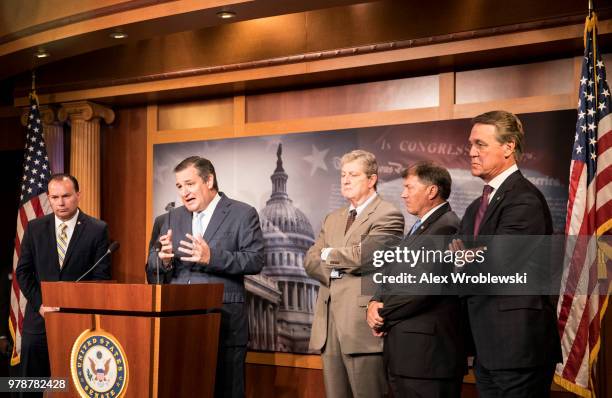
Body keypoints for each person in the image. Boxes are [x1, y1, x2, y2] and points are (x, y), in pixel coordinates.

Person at [450, 110, 561, 397]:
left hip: (518, 348)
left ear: (509, 147)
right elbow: (455, 263)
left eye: (480, 144)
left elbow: (497, 262)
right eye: (470, 145)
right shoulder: (476, 206)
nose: (471, 152)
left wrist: (469, 257)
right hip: (486, 347)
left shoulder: (524, 198)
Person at [147, 156, 264, 398]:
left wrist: (212, 257)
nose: (184, 192)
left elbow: (255, 260)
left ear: (209, 180)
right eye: (179, 186)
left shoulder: (243, 213)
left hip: (225, 323)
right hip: (177, 323)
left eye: (189, 184)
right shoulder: (167, 219)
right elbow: (152, 270)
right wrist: (163, 261)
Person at [305, 149, 404, 398]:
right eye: (342, 175)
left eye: (353, 175)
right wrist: (339, 269)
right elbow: (309, 261)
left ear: (372, 180)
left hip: (360, 329)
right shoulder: (332, 218)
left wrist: (329, 255)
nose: (345, 181)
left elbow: (366, 257)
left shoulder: (388, 214)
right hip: (329, 327)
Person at [366, 161, 465, 398]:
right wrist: (374, 301)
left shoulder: (446, 227)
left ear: (431, 191)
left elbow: (422, 288)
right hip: (409, 358)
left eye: (409, 187)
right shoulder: (422, 227)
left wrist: (382, 313)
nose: (403, 194)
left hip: (427, 360)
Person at [16, 174, 111, 381]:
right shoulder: (34, 228)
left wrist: (73, 305)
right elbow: (23, 272)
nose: (60, 203)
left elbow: (100, 277)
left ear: (78, 195)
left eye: (66, 196)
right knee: (31, 384)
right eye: (54, 197)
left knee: (71, 382)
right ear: (49, 198)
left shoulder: (97, 229)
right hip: (40, 319)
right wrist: (41, 305)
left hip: (77, 320)